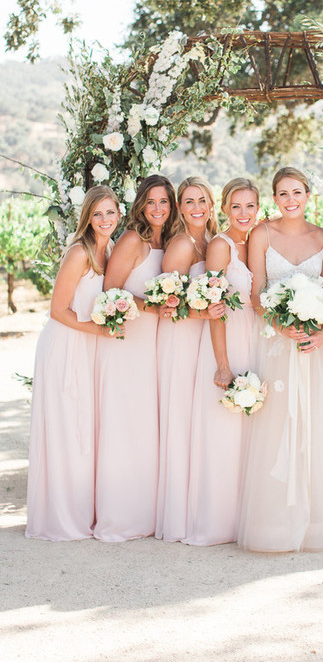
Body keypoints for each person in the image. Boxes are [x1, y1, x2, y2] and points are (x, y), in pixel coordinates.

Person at [237, 167, 323, 552]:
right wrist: (279, 326)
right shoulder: (261, 234)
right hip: (277, 343)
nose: (290, 199)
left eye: (297, 192)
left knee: (318, 424)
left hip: (315, 347)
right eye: (282, 193)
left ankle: (319, 518)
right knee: (277, 426)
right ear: (274, 198)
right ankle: (278, 518)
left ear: (308, 195)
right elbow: (257, 292)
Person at [26, 186, 121, 540]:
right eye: (97, 214)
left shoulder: (109, 248)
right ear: (87, 217)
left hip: (88, 344)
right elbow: (57, 310)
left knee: (84, 427)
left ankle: (83, 510)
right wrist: (97, 329)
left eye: (110, 212)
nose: (105, 220)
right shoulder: (80, 252)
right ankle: (61, 518)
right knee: (67, 427)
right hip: (66, 345)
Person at [94, 174, 177, 542]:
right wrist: (153, 306)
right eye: (152, 202)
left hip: (156, 343)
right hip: (128, 340)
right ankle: (122, 514)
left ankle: (148, 510)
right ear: (141, 205)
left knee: (148, 424)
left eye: (164, 202)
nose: (158, 209)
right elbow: (110, 292)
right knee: (125, 423)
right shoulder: (133, 240)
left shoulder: (169, 241)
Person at [184, 178, 258, 545]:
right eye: (236, 206)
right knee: (225, 428)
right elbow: (215, 308)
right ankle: (219, 520)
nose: (243, 214)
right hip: (227, 337)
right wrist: (222, 363)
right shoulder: (220, 245)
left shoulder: (259, 239)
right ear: (224, 209)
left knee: (252, 431)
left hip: (257, 337)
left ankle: (249, 514)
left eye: (250, 206)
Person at [155, 176, 224, 543]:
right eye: (189, 202)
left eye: (202, 200)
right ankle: (180, 514)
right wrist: (204, 315)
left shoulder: (213, 242)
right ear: (179, 208)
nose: (197, 207)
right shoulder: (181, 245)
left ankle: (201, 503)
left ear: (211, 204)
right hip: (181, 339)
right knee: (181, 418)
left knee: (198, 419)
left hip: (202, 338)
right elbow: (164, 308)